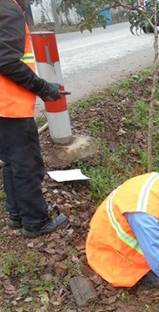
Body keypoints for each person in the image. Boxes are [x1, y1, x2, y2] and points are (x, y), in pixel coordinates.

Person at [0, 0, 68, 237]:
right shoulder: (9, 10)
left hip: (3, 107)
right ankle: (36, 222)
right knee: (27, 165)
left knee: (12, 163)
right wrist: (43, 88)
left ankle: (17, 216)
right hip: (11, 106)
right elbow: (7, 61)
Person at [85, 173, 159, 293]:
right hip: (107, 241)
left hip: (124, 212)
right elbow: (158, 263)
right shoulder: (147, 220)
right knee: (156, 277)